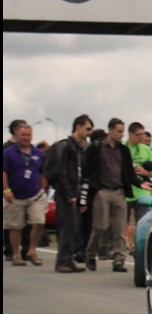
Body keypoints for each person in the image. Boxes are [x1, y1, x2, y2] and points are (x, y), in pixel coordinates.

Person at [81, 118, 135, 272]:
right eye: (118, 131)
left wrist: (138, 183)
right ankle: (91, 254)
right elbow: (87, 169)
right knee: (100, 226)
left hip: (119, 191)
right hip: (102, 191)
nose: (121, 135)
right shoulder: (97, 148)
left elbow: (129, 172)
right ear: (110, 131)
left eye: (122, 132)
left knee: (119, 228)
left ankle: (119, 260)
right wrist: (93, 187)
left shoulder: (123, 150)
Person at [43, 115, 91, 273]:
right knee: (67, 227)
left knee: (74, 227)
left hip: (74, 193)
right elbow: (61, 171)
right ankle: (62, 261)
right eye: (87, 129)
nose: (89, 132)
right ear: (78, 126)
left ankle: (68, 259)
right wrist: (69, 193)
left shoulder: (77, 148)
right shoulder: (65, 146)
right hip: (65, 194)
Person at [2, 120, 49, 266]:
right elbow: (4, 172)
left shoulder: (37, 153)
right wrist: (6, 190)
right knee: (16, 226)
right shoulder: (9, 152)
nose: (26, 138)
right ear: (16, 134)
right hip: (15, 195)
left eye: (28, 135)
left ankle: (31, 250)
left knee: (39, 222)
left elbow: (44, 172)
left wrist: (42, 189)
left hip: (35, 195)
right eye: (23, 135)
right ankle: (16, 254)